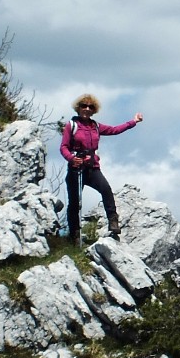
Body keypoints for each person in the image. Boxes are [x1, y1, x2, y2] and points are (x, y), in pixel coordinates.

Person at [60, 93, 143, 244]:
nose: (86, 109)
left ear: (94, 110)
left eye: (90, 107)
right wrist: (72, 159)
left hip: (92, 168)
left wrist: (133, 122)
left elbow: (114, 130)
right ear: (78, 108)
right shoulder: (71, 126)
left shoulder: (96, 126)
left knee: (106, 190)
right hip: (75, 170)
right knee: (74, 203)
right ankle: (74, 236)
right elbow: (64, 147)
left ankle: (113, 223)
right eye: (83, 106)